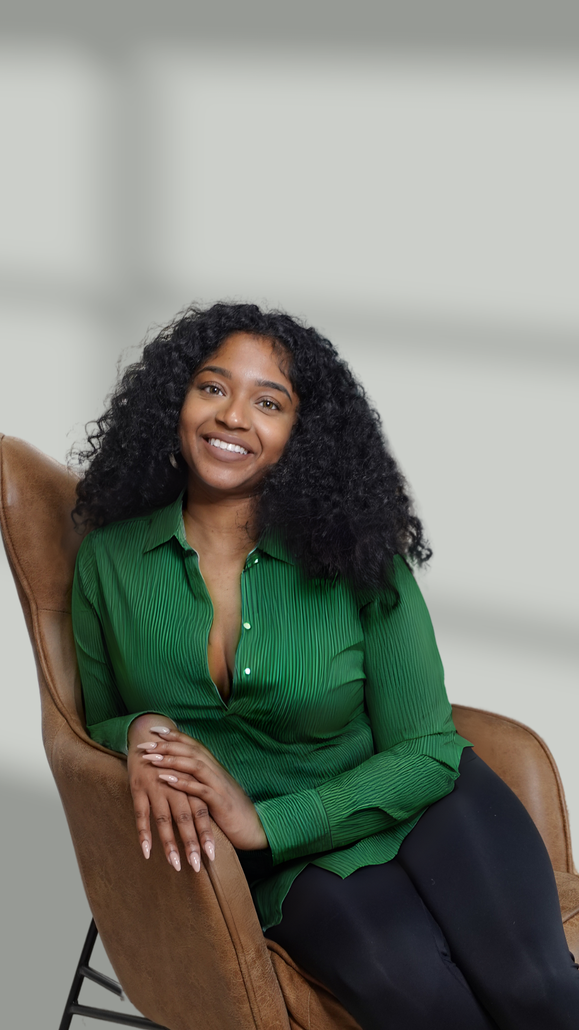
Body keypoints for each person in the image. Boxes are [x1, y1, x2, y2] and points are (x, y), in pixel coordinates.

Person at [71, 302, 579, 1030]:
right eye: (212, 388)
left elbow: (429, 751)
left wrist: (268, 820)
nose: (233, 418)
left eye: (268, 402)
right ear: (173, 401)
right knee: (413, 996)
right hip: (292, 869)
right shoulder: (108, 562)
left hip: (422, 805)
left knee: (533, 992)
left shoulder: (357, 553)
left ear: (300, 437)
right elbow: (94, 724)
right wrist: (142, 728)